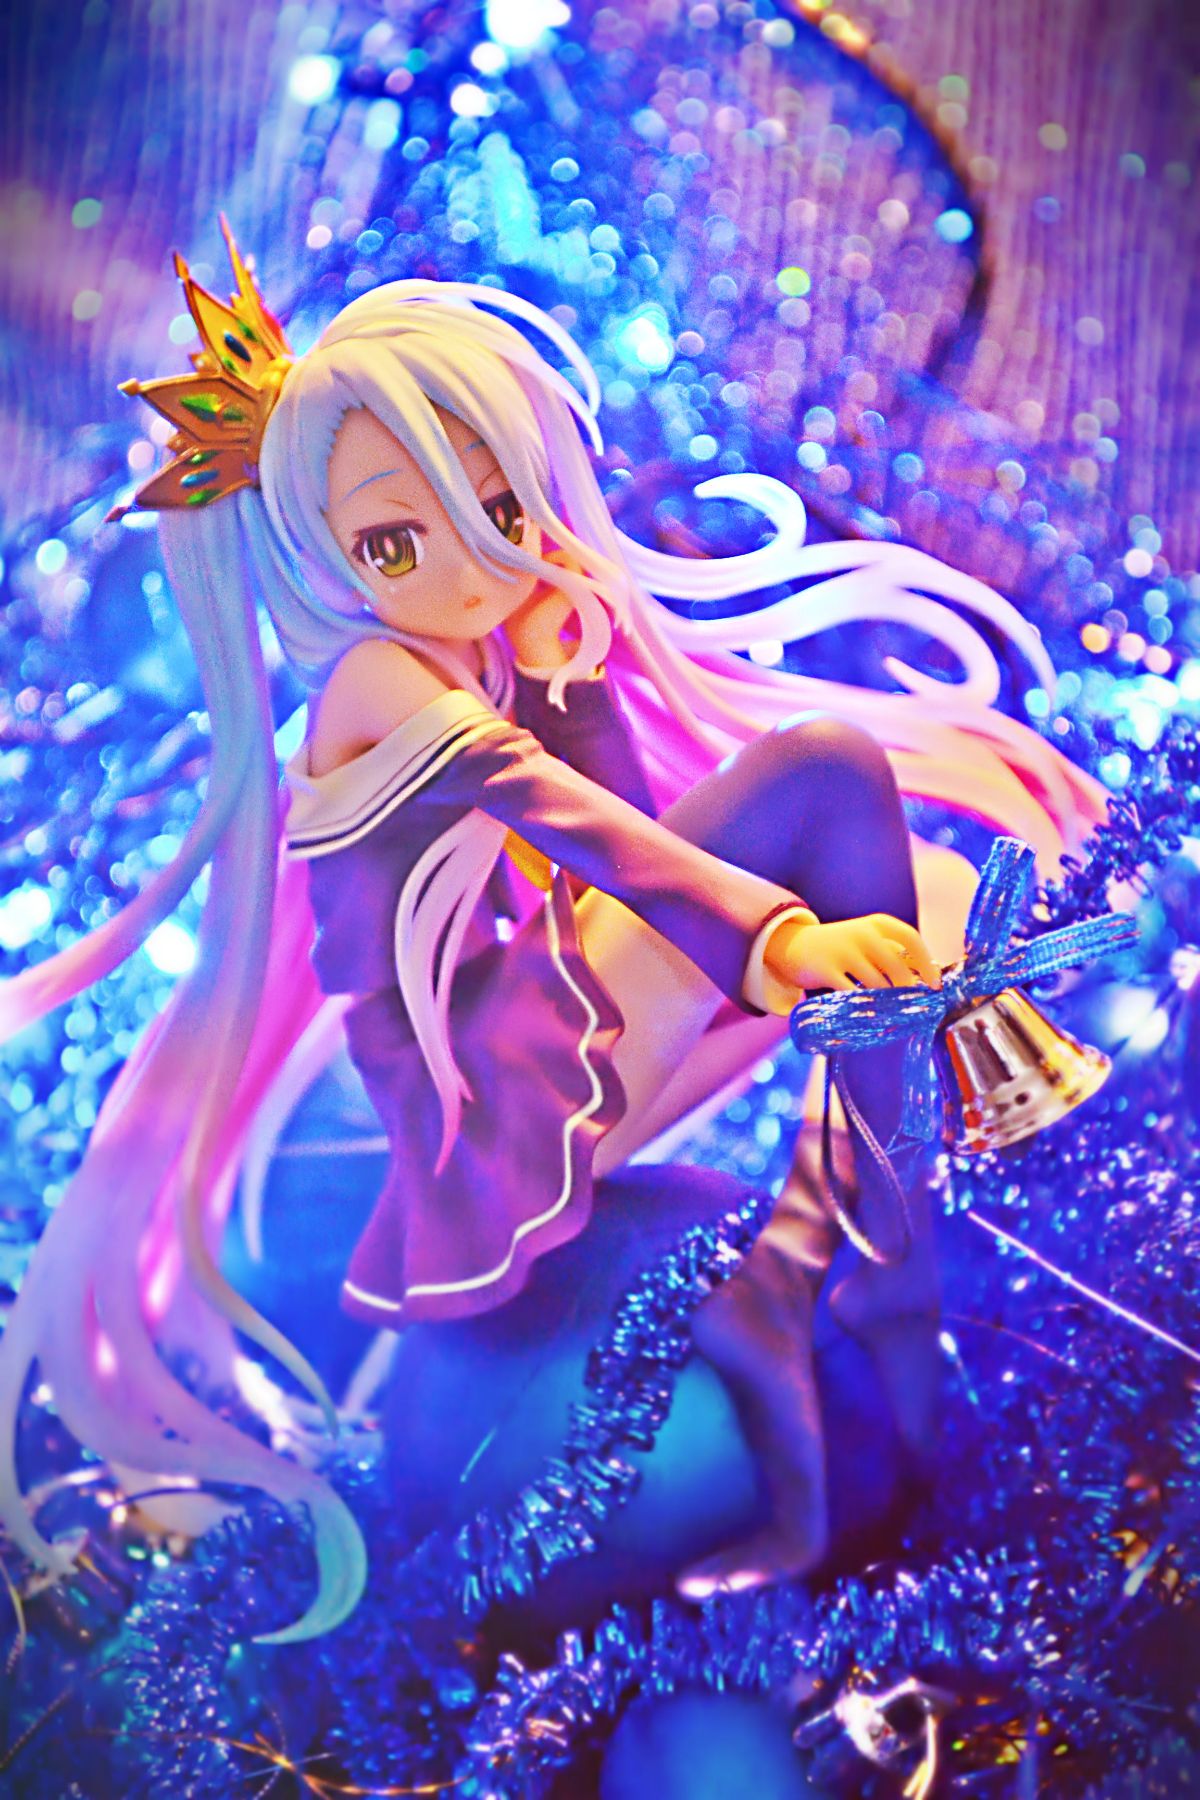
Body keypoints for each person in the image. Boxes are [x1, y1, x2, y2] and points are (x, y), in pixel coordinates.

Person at [0, 227, 1105, 1640]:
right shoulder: (376, 682)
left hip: (538, 1026)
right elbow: (582, 831)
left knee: (923, 882)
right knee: (827, 774)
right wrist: (771, 942)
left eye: (497, 510)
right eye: (396, 542)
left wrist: (571, 676)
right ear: (325, 558)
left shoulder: (472, 640)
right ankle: (882, 1288)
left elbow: (617, 829)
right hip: (481, 1103)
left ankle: (804, 1266)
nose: (469, 569)